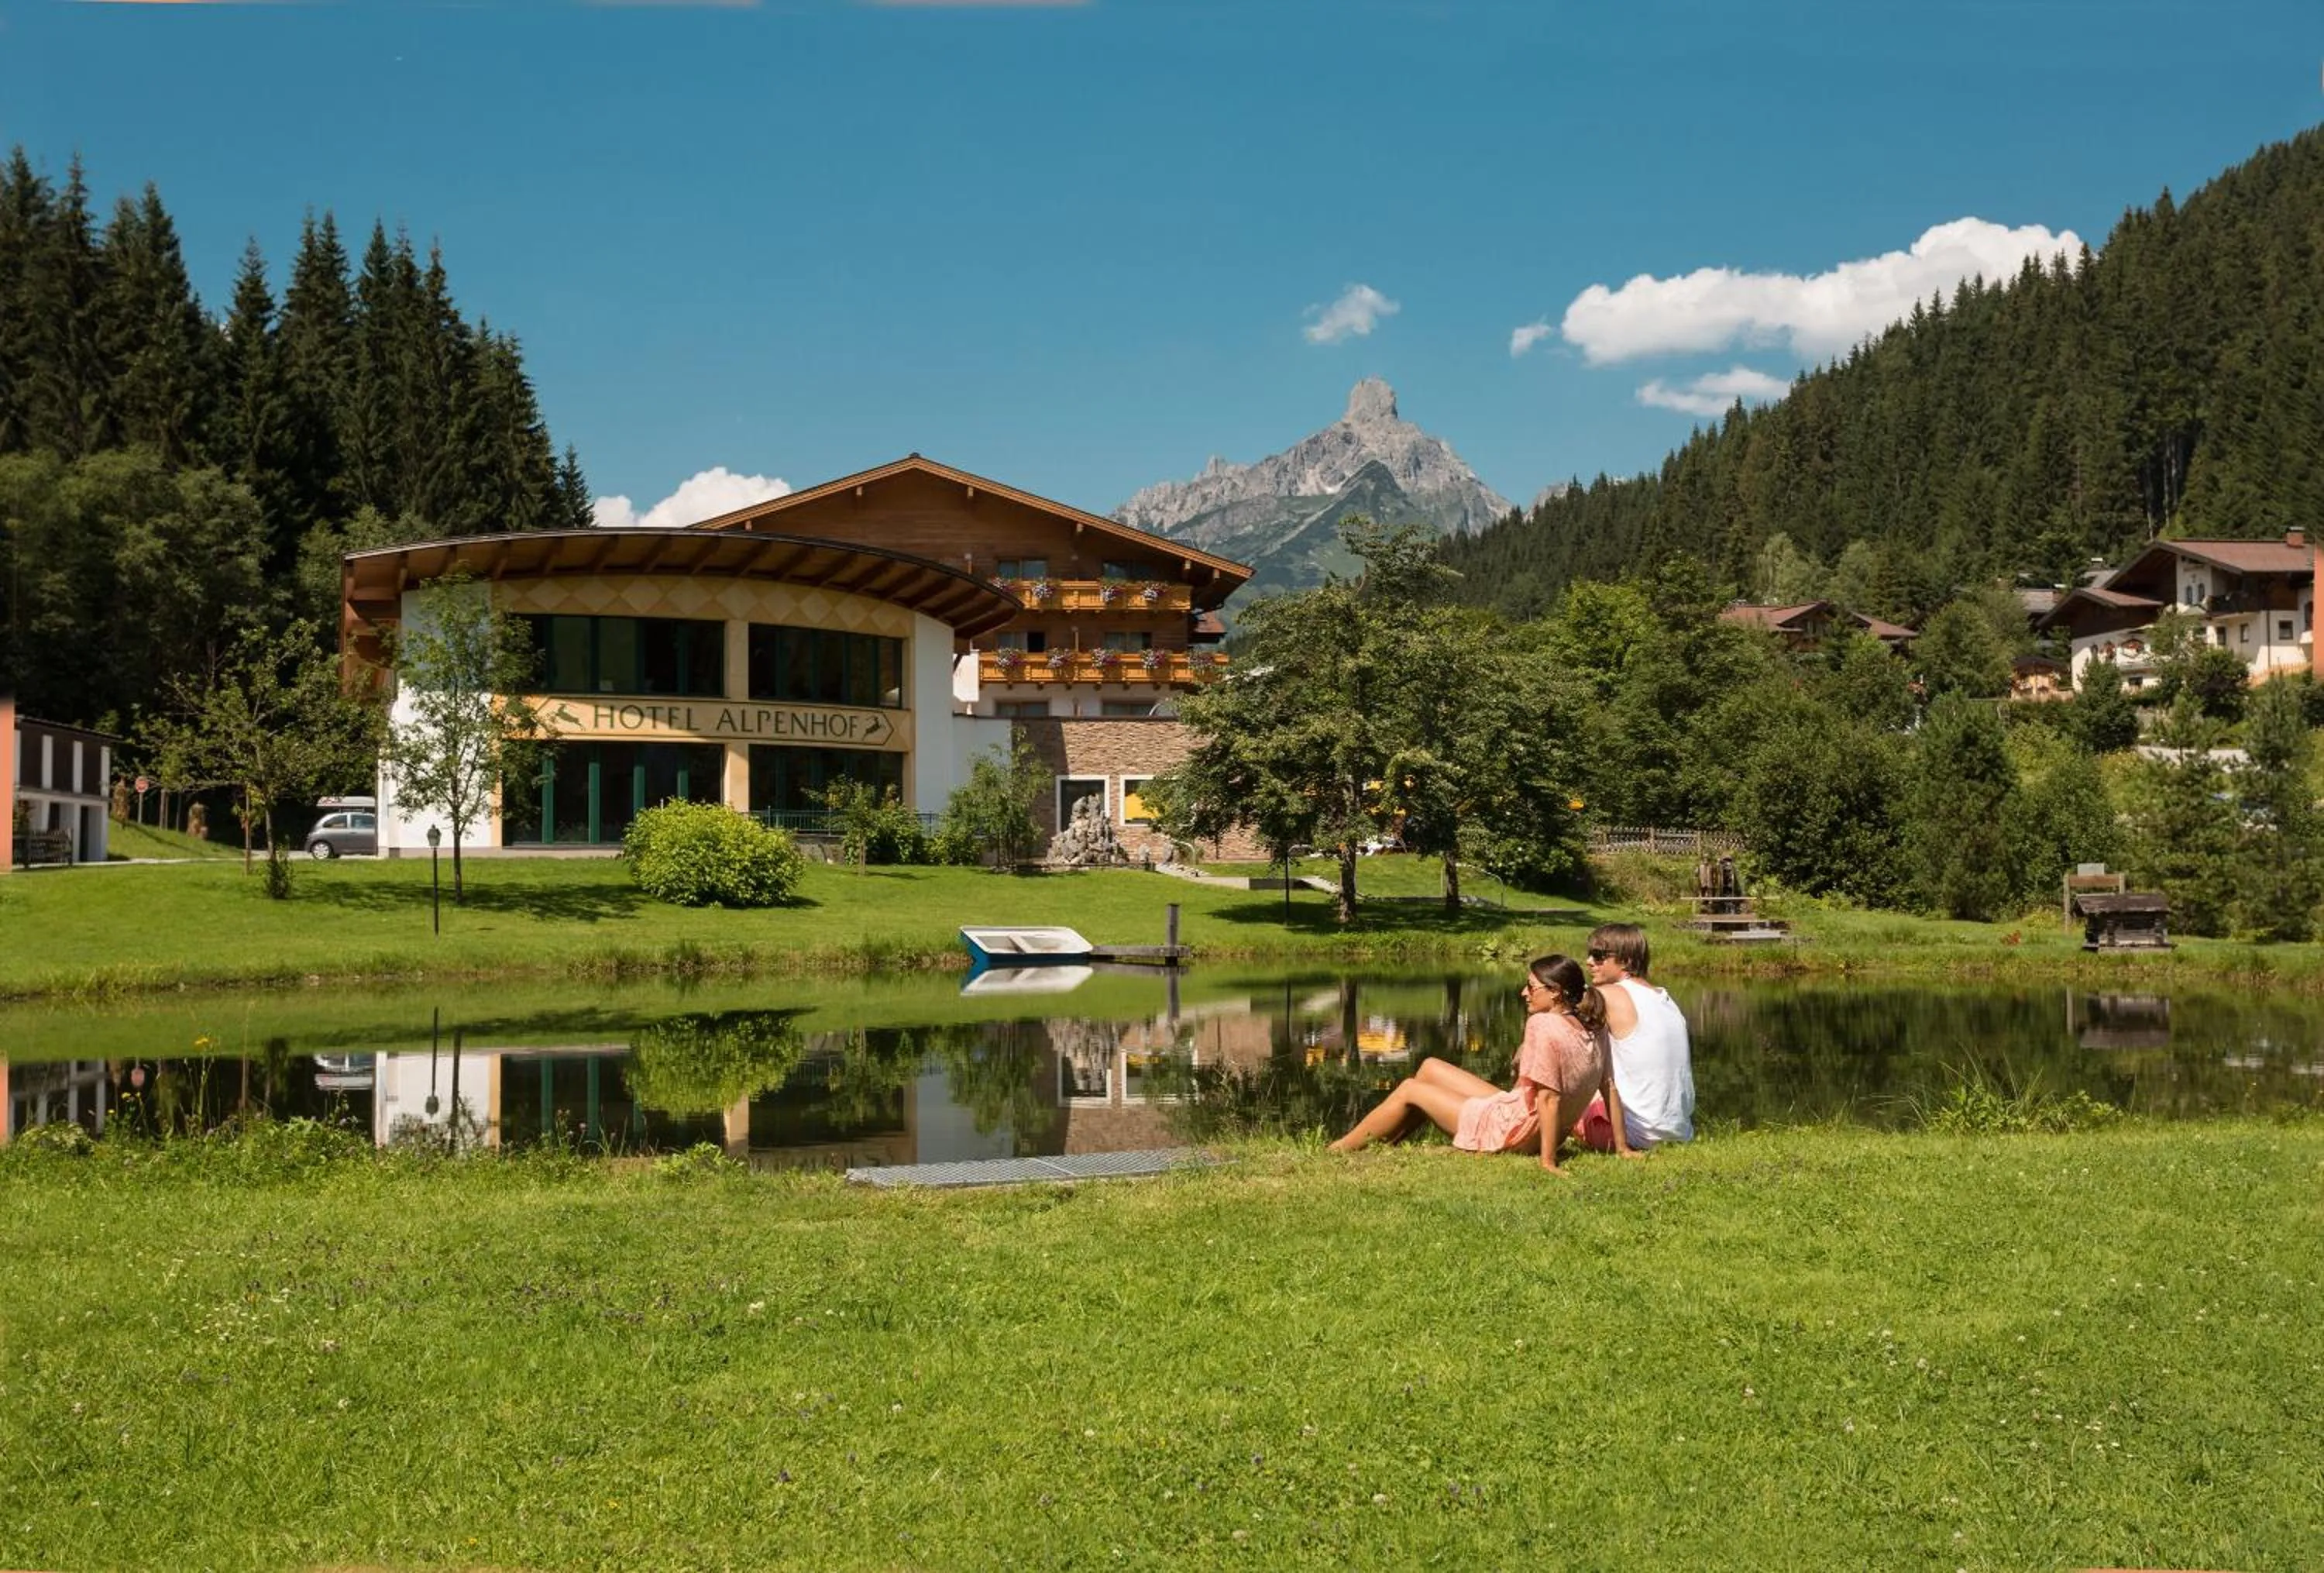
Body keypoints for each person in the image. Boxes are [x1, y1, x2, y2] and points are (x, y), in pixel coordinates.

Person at [1329, 955, 1623, 1173]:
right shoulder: (1594, 1026)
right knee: (1430, 1067)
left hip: (1518, 1132)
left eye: (1531, 987)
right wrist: (1622, 1148)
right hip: (1532, 1120)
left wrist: (1548, 1162)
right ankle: (1385, 1143)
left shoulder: (1543, 1024)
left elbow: (1549, 1098)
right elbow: (1608, 1086)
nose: (1523, 993)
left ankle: (1338, 1150)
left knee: (1410, 1089)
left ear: (1555, 991)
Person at [1573, 922, 1694, 1153]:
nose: (1589, 961)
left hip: (1634, 1135)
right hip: (1680, 1133)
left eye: (1598, 956)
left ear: (1626, 961)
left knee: (1551, 1092)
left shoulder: (1605, 995)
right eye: (1590, 954)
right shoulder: (1666, 999)